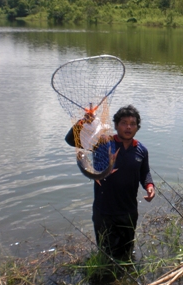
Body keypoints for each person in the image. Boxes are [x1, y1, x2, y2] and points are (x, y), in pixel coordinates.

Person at [66, 105, 155, 260]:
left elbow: (144, 172)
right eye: (124, 122)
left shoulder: (141, 150)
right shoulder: (101, 143)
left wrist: (149, 186)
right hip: (104, 211)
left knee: (127, 252)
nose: (128, 127)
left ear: (137, 127)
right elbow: (70, 140)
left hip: (128, 211)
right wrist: (83, 122)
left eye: (132, 123)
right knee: (105, 255)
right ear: (115, 125)